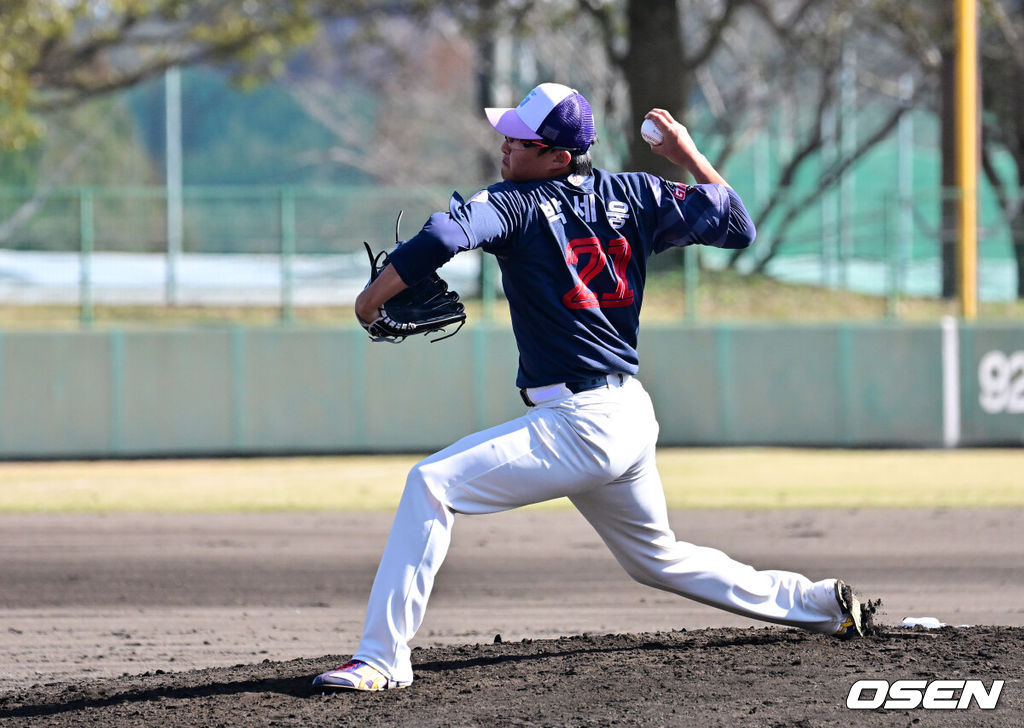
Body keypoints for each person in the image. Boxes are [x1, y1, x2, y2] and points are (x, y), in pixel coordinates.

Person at [313, 82, 868, 692]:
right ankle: (818, 603)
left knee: (431, 485)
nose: (503, 146)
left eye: (518, 140)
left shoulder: (515, 204)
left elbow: (444, 237)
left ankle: (382, 657)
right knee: (657, 559)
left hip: (580, 423)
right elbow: (737, 224)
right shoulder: (637, 191)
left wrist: (370, 301)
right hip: (626, 413)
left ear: (556, 157)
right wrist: (686, 154)